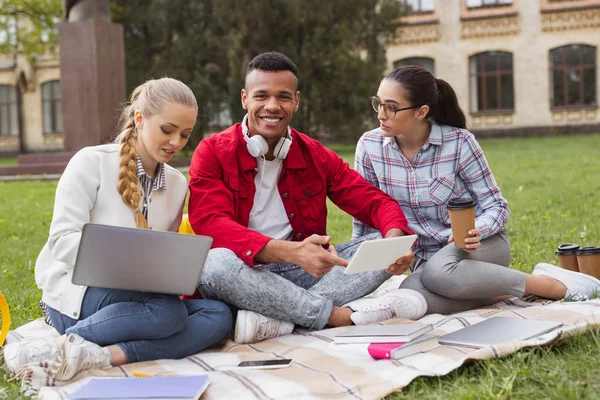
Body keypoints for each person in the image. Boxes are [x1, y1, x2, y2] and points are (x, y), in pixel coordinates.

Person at [188, 52, 428, 345]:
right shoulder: (212, 151)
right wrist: (291, 251)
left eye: (283, 97)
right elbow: (210, 224)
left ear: (296, 101)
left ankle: (276, 318)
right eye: (261, 96)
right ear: (244, 99)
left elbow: (376, 203)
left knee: (382, 241)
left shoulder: (314, 154)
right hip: (244, 273)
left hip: (304, 274)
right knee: (213, 264)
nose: (272, 106)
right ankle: (335, 316)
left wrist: (394, 240)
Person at [2, 78, 232, 382]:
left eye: (185, 134)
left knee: (218, 315)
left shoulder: (177, 183)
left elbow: (166, 251)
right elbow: (61, 242)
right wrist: (123, 266)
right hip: (76, 291)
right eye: (167, 130)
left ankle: (102, 354)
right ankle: (61, 343)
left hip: (140, 297)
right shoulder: (90, 163)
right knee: (169, 315)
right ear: (139, 119)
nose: (176, 142)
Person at [353, 65, 600, 315]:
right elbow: (366, 212)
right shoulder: (370, 147)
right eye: (379, 103)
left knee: (438, 273)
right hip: (425, 261)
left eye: (391, 107)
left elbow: (496, 205)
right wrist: (357, 264)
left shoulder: (460, 143)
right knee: (408, 294)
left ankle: (550, 285)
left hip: (478, 247)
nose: (381, 115)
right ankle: (493, 292)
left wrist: (476, 230)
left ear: (421, 112)